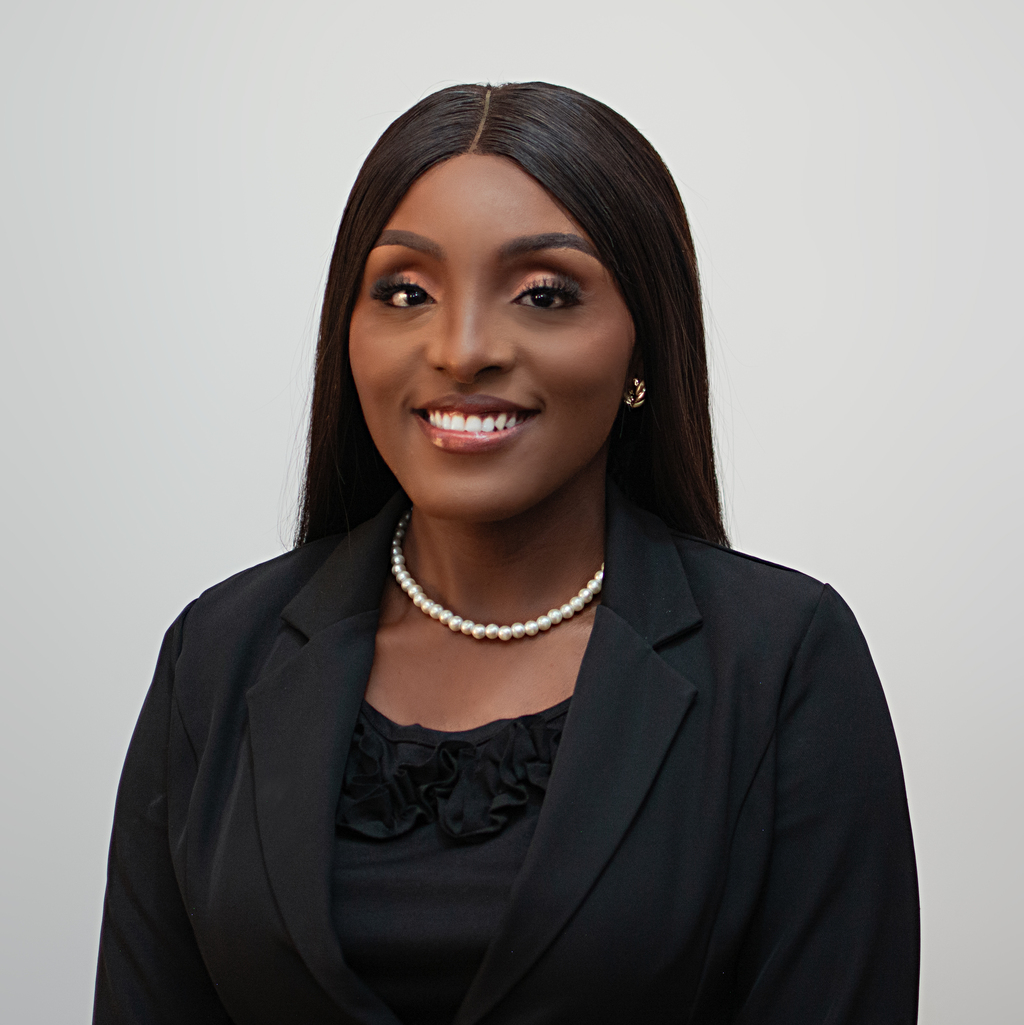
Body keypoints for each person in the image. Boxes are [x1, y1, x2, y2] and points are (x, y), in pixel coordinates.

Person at [93, 82, 919, 1025]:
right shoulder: (216, 653)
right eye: (406, 291)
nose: (462, 349)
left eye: (544, 294)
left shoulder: (784, 663)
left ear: (642, 346)